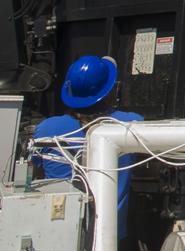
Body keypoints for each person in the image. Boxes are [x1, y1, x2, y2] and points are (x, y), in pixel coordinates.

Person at [32, 55, 143, 237]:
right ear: (108, 91)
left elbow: (38, 174)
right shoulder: (131, 124)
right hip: (108, 237)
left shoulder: (46, 129)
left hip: (57, 231)